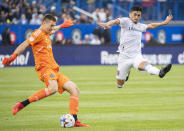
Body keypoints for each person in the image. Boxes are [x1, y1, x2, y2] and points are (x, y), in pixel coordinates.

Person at [1, 14, 89, 128]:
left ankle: (75, 120)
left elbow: (54, 29)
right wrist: (12, 57)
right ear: (44, 23)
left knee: (75, 90)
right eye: (51, 25)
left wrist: (62, 25)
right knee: (53, 88)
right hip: (44, 69)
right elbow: (24, 44)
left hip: (54, 69)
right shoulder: (37, 33)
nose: (52, 28)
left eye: (53, 26)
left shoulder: (47, 32)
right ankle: (21, 104)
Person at [98, 5, 172, 88]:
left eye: (139, 15)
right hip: (123, 57)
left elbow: (151, 25)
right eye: (135, 14)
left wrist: (164, 23)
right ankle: (126, 73)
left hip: (136, 55)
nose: (136, 17)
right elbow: (116, 21)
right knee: (119, 84)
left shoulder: (140, 26)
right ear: (130, 14)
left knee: (143, 66)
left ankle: (160, 72)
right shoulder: (126, 21)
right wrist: (107, 24)